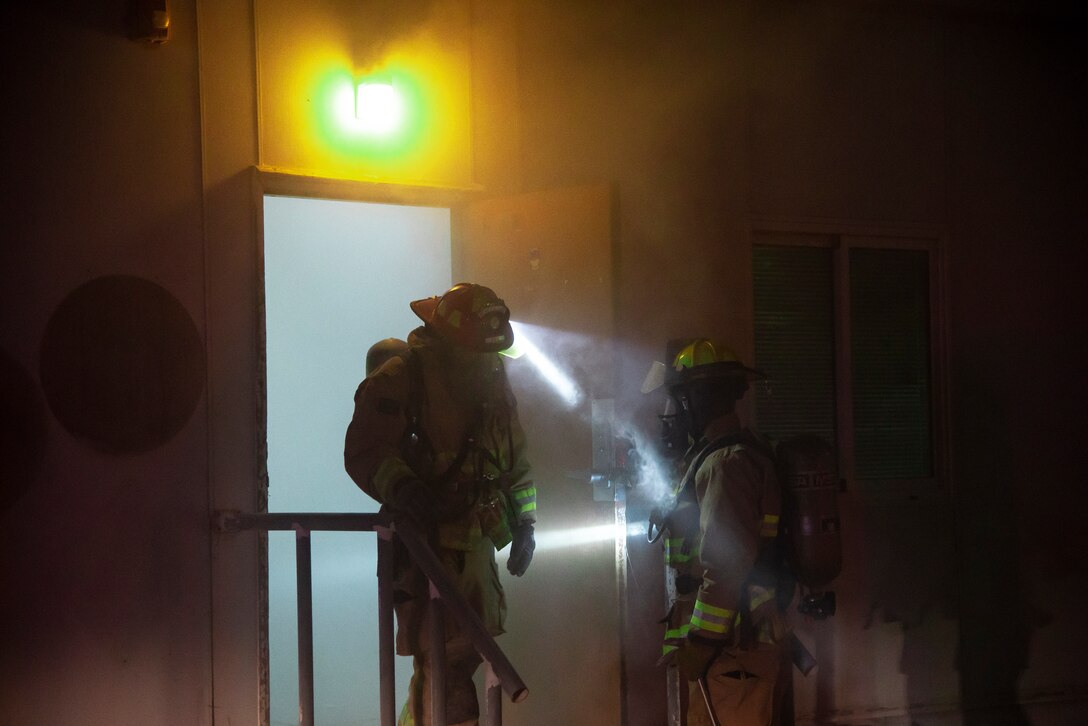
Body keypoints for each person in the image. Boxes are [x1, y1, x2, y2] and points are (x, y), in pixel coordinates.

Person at [344, 283, 537, 726]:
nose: (485, 364)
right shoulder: (400, 378)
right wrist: (407, 491)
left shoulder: (490, 379)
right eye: (475, 354)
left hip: (477, 552)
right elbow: (365, 451)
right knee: (448, 673)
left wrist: (525, 521)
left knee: (453, 667)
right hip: (425, 554)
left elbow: (515, 459)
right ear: (448, 342)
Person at [651, 338, 791, 726]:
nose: (674, 413)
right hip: (733, 650)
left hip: (732, 649)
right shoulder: (724, 456)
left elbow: (727, 564)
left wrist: (703, 642)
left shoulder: (725, 465)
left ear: (695, 400)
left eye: (679, 401)